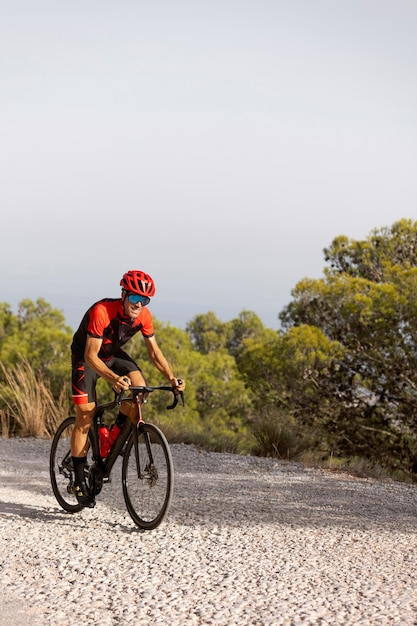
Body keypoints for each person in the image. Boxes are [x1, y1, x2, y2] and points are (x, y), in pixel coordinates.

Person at [70, 269, 185, 507]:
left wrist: (173, 378)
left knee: (139, 391)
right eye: (134, 298)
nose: (139, 304)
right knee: (85, 414)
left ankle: (111, 436)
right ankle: (79, 480)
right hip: (86, 357)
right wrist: (113, 378)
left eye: (144, 300)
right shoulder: (102, 311)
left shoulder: (144, 316)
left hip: (113, 354)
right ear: (123, 294)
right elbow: (91, 356)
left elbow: (154, 352)